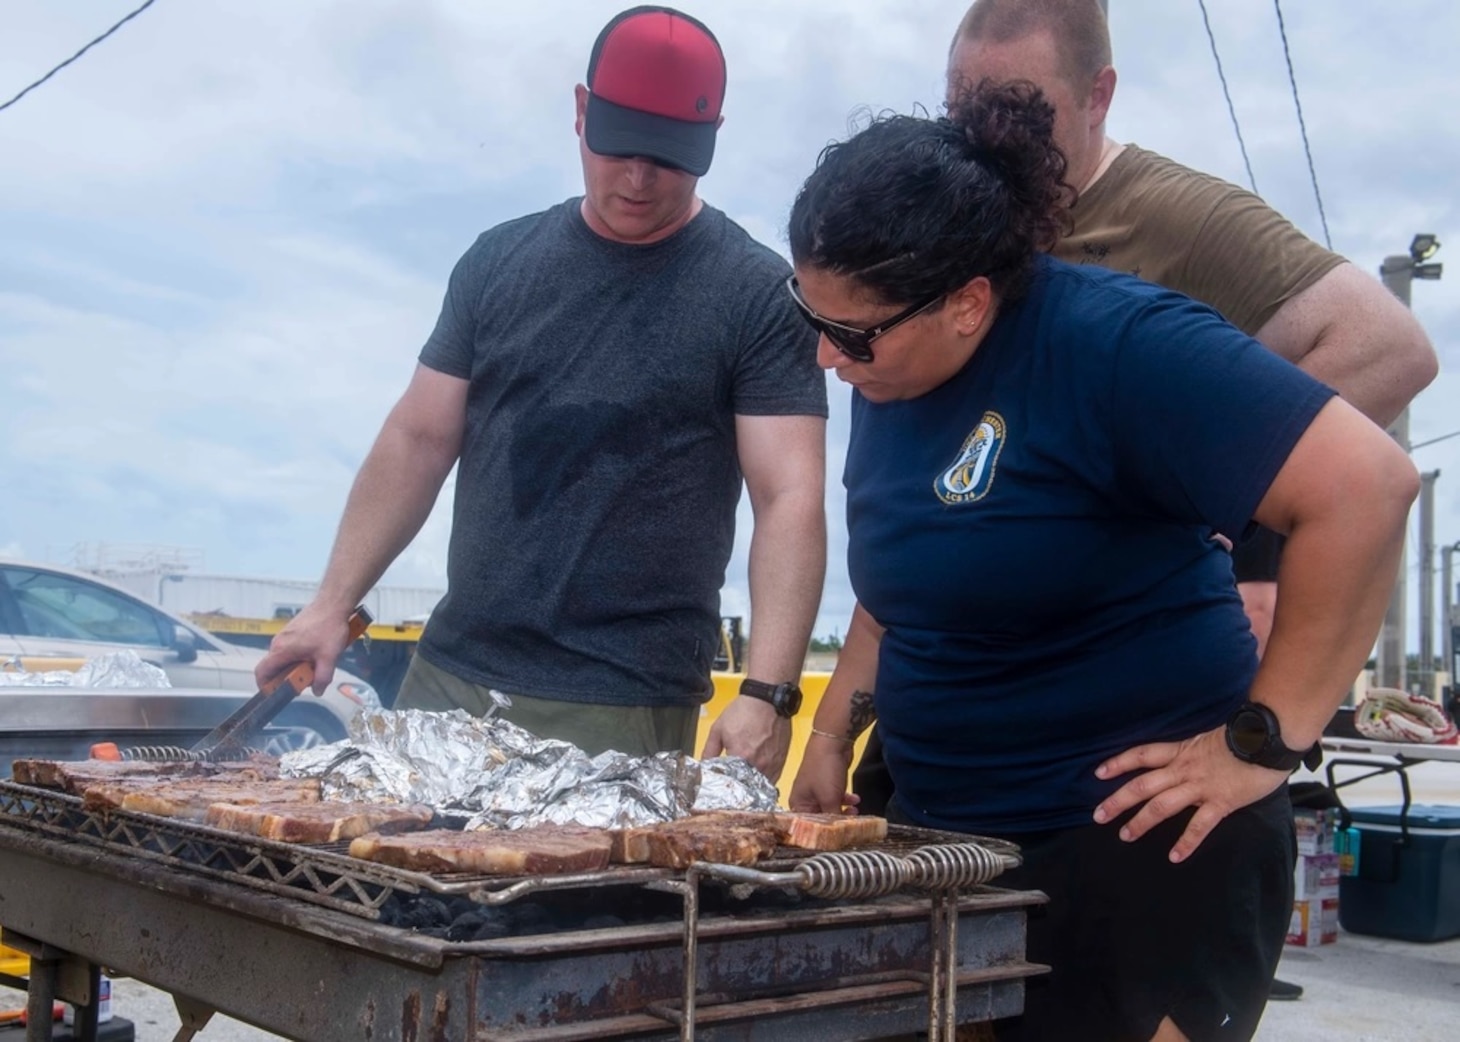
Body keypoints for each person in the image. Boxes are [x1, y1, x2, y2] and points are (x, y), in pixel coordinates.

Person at [786, 80, 1417, 1042]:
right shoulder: (892, 376)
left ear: (966, 303)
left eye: (851, 333)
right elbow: (905, 586)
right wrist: (831, 737)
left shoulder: (1119, 345)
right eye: (811, 318)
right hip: (943, 839)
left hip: (1132, 851)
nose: (828, 359)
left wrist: (1265, 740)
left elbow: (1366, 488)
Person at [851, 0, 1438, 821]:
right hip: (956, 731)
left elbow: (1389, 349)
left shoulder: (1179, 219)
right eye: (964, 109)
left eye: (1021, 112)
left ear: (1099, 96)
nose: (986, 140)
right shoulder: (947, 229)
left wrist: (1210, 476)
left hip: (1116, 763)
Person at [256, 6, 827, 779]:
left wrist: (766, 691)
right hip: (450, 674)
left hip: (622, 700)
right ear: (582, 110)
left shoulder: (755, 294)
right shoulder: (497, 262)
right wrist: (331, 604)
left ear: (713, 136)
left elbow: (788, 494)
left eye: (667, 156)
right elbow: (418, 441)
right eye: (618, 145)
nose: (637, 177)